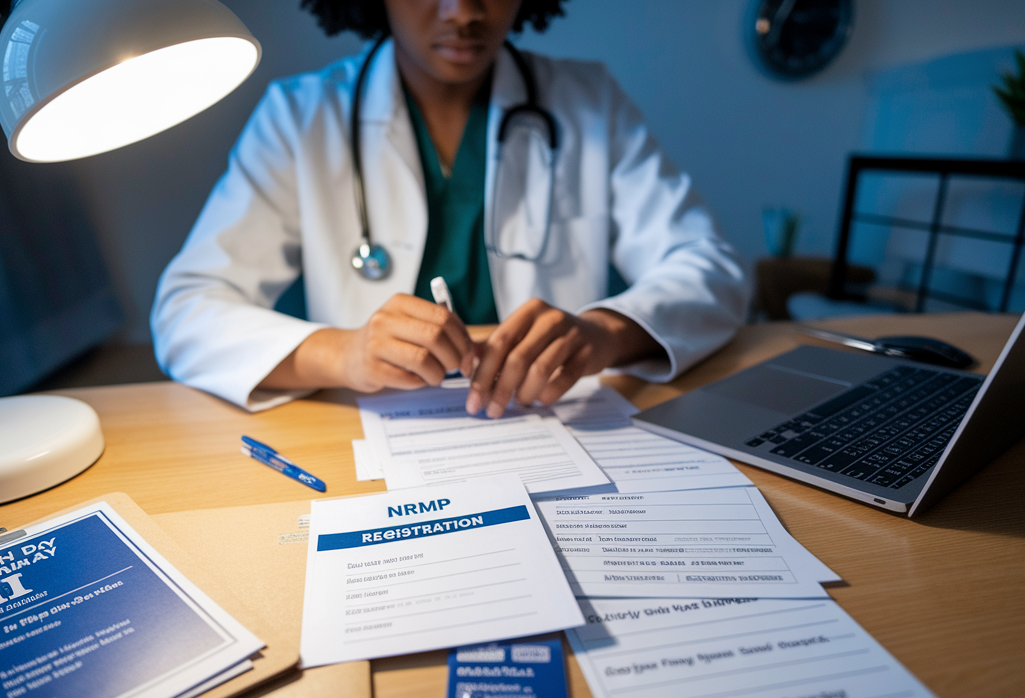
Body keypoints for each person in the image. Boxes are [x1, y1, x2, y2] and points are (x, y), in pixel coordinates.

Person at [151, 0, 749, 418]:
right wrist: (345, 352)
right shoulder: (299, 117)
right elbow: (186, 313)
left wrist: (604, 333)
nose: (463, 11)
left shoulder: (589, 102)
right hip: (370, 441)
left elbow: (713, 270)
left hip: (552, 426)